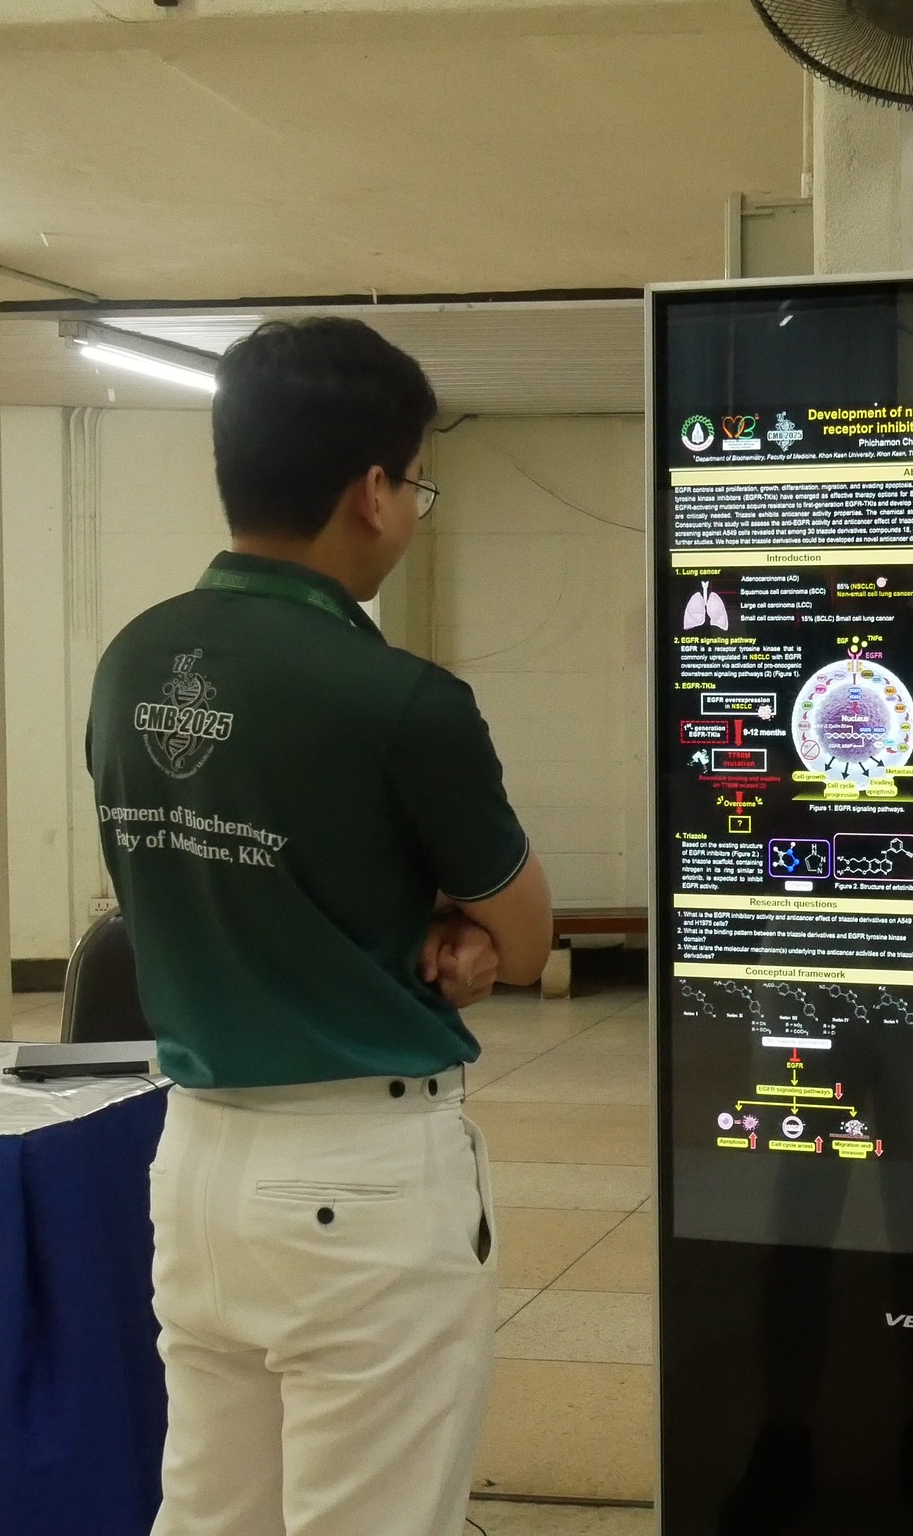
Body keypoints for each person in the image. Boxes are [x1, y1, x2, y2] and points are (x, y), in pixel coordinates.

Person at [88, 318, 553, 1536]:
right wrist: (462, 927)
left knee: (211, 1513)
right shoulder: (402, 699)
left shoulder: (132, 660)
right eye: (417, 486)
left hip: (195, 1162)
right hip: (361, 1178)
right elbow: (525, 933)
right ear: (372, 492)